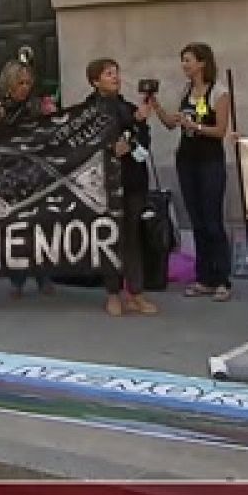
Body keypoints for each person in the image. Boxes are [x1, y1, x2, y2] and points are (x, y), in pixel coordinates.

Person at [153, 43, 233, 301]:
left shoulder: (218, 92)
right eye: (183, 60)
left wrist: (195, 126)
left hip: (210, 161)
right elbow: (170, 124)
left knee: (212, 220)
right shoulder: (185, 90)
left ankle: (222, 278)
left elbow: (220, 131)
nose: (184, 65)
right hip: (187, 160)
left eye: (188, 60)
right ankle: (203, 278)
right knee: (196, 219)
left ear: (201, 63)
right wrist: (155, 106)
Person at [85, 58, 158, 317]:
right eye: (108, 74)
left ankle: (136, 293)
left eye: (116, 72)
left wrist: (138, 128)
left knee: (132, 238)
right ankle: (112, 293)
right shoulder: (88, 110)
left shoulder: (128, 107)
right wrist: (110, 149)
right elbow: (86, 145)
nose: (115, 77)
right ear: (95, 81)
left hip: (133, 179)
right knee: (111, 239)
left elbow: (143, 137)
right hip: (105, 184)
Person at [0, 58, 54, 298]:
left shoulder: (35, 107)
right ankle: (17, 279)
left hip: (35, 173)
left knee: (40, 226)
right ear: (9, 84)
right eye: (20, 83)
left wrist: (51, 116)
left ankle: (43, 276)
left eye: (28, 83)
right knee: (15, 229)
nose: (25, 87)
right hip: (9, 175)